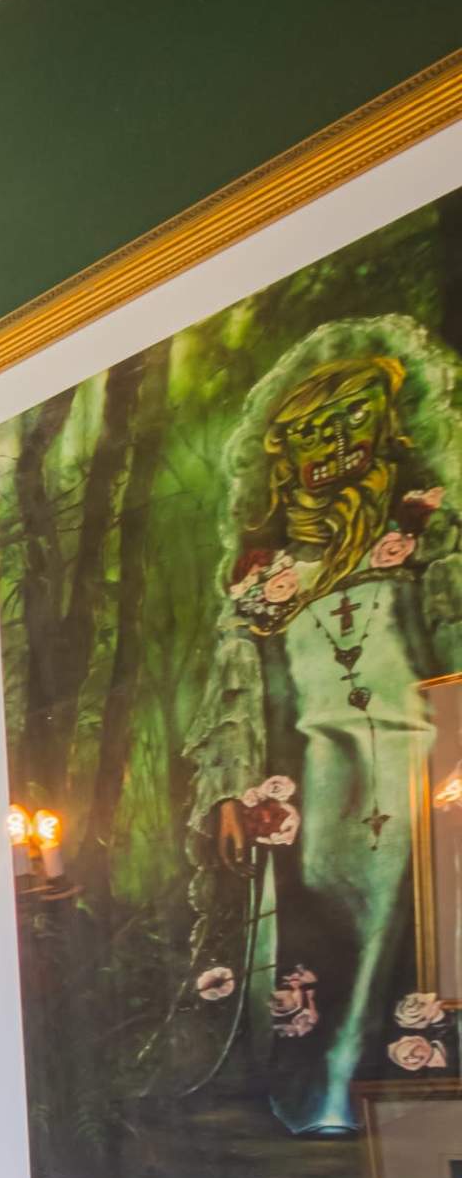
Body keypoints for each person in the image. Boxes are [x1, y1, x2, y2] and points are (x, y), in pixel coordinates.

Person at [189, 320, 462, 1136]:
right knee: (322, 920)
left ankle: (387, 1090)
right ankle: (323, 1093)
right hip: (311, 772)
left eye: (352, 419)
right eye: (311, 431)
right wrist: (230, 793)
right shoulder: (261, 581)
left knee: (404, 920)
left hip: (421, 765)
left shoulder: (428, 536)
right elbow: (235, 694)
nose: (333, 444)